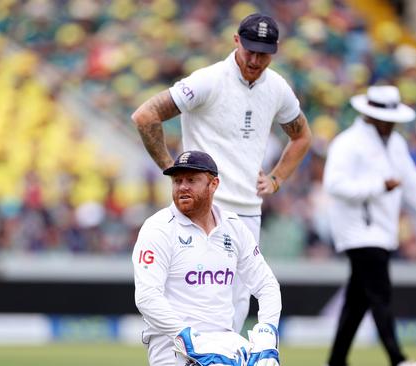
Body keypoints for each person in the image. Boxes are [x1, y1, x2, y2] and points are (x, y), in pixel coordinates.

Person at [132, 13, 311, 333]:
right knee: (190, 302)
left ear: (276, 50)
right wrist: (172, 170)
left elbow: (302, 136)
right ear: (236, 41)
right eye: (250, 50)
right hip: (201, 209)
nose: (255, 60)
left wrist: (277, 178)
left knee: (236, 308)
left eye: (264, 53)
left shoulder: (278, 89)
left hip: (246, 212)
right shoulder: (208, 80)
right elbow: (146, 115)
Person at [323, 85, 416, 366]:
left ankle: (335, 361)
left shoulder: (395, 144)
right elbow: (334, 184)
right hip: (358, 232)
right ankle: (399, 360)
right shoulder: (347, 143)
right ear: (370, 115)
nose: (390, 125)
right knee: (380, 292)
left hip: (381, 231)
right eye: (386, 119)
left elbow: (413, 183)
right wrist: (378, 186)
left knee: (358, 301)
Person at [133, 150, 281, 366]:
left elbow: (267, 285)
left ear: (213, 184)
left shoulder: (233, 226)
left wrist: (267, 337)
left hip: (224, 339)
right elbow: (147, 297)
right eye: (177, 180)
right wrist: (188, 338)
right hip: (172, 344)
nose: (182, 186)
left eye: (191, 180)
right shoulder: (158, 228)